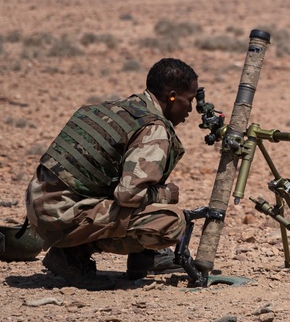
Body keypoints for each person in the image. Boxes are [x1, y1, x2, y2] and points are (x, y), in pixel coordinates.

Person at [25, 57, 198, 289]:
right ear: (172, 96)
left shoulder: (114, 110)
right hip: (59, 216)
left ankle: (142, 258)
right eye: (190, 100)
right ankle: (72, 255)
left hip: (41, 206)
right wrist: (166, 194)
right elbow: (128, 195)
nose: (191, 109)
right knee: (170, 221)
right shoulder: (153, 128)